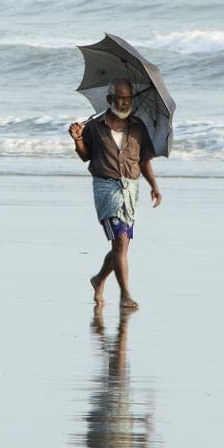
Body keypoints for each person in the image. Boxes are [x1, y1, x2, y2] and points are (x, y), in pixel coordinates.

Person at [68, 78, 162, 309]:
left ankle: (99, 279)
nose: (124, 102)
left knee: (122, 245)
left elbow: (144, 160)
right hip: (106, 188)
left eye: (128, 98)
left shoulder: (138, 127)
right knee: (119, 240)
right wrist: (78, 138)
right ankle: (125, 295)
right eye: (120, 98)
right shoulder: (95, 126)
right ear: (110, 100)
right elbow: (85, 156)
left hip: (131, 189)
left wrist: (154, 185)